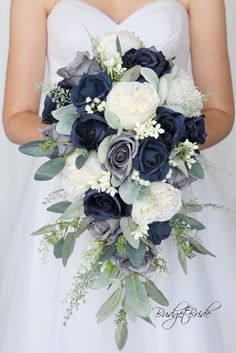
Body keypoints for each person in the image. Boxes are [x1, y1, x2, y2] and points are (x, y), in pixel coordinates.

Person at [0, 0, 235, 352]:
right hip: (75, 183)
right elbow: (16, 116)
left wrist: (160, 141)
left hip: (166, 182)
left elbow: (221, 112)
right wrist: (89, 141)